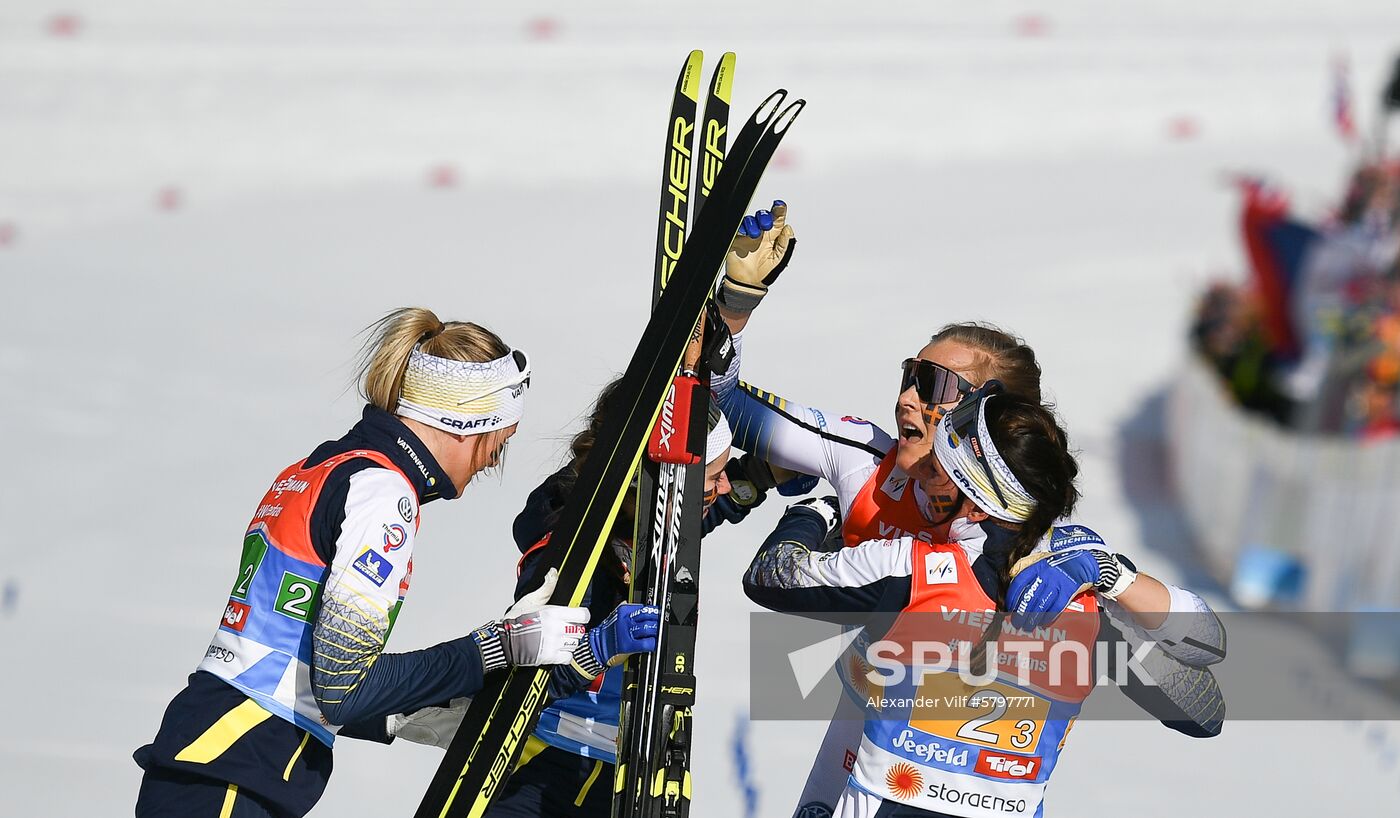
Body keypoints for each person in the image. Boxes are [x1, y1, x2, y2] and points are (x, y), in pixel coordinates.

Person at [714, 204, 1226, 816]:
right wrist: (733, 310)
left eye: (930, 384)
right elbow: (723, 404)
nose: (906, 396)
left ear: (986, 412)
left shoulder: (1042, 556)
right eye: (909, 373)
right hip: (873, 719)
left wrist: (1105, 574)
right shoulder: (862, 458)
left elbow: (1201, 688)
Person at [134, 308, 659, 818]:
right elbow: (343, 689)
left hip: (224, 759)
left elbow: (291, 664)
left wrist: (495, 683)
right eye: (497, 444)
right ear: (465, 422)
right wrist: (499, 648)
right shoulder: (384, 494)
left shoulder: (323, 467)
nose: (492, 463)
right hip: (235, 772)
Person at [743, 387, 1224, 818]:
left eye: (942, 471)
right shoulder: (1078, 602)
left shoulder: (912, 569)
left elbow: (768, 577)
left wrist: (815, 511)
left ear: (975, 500)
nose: (926, 480)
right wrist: (1114, 577)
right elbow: (1205, 709)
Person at [388, 377, 803, 817]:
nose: (720, 488)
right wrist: (599, 647)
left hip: (620, 774)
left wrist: (760, 476)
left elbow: (683, 525)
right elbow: (523, 669)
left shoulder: (639, 519)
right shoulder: (570, 552)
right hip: (538, 768)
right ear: (663, 478)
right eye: (714, 477)